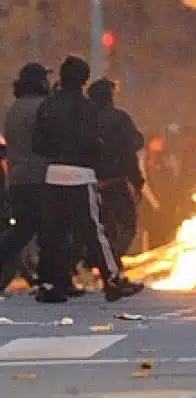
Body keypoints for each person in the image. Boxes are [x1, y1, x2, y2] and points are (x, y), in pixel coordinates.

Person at [32, 56, 143, 303]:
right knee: (94, 232)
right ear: (84, 80)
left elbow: (37, 144)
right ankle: (112, 281)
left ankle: (52, 285)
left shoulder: (48, 105)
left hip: (54, 174)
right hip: (81, 176)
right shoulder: (87, 107)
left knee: (54, 232)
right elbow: (95, 143)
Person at [0, 65, 53, 296]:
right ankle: (49, 278)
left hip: (17, 179)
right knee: (49, 229)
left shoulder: (14, 109)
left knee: (22, 230)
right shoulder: (42, 107)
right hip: (40, 177)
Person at [88, 79, 146, 260]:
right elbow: (131, 150)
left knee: (101, 226)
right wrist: (137, 181)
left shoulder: (84, 119)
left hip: (89, 184)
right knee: (126, 225)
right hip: (115, 183)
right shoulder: (119, 118)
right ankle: (111, 260)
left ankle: (102, 261)